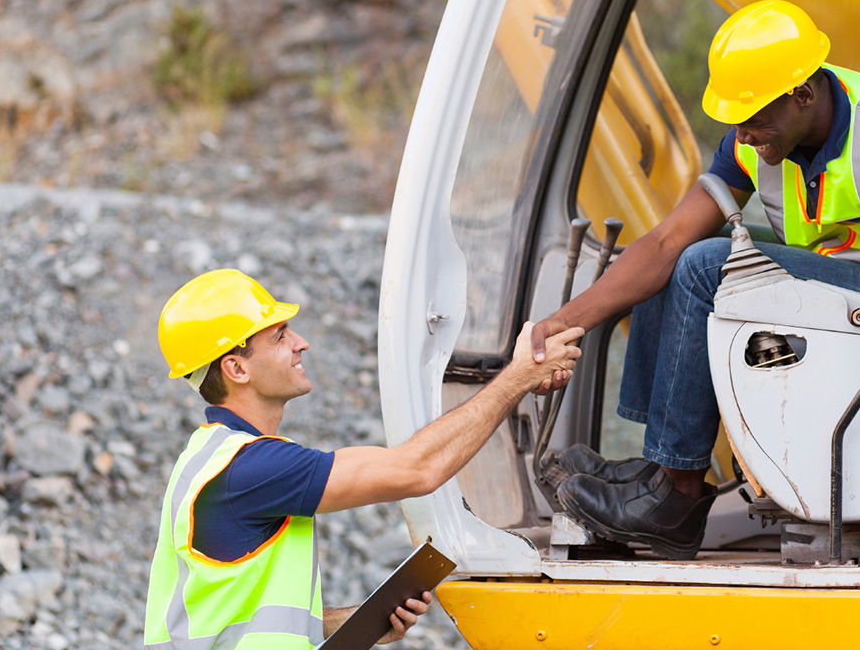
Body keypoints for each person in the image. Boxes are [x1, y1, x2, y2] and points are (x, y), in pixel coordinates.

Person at [529, 0, 860, 560]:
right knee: (681, 259)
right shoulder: (763, 138)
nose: (743, 135)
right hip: (847, 289)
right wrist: (560, 322)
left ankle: (676, 498)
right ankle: (660, 467)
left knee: (706, 265)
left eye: (754, 117)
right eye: (736, 119)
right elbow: (665, 242)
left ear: (803, 94)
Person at [144, 269, 583, 649]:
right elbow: (417, 469)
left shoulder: (212, 458)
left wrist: (351, 623)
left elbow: (236, 626)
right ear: (237, 369)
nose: (302, 343)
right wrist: (519, 376)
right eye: (280, 336)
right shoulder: (251, 469)